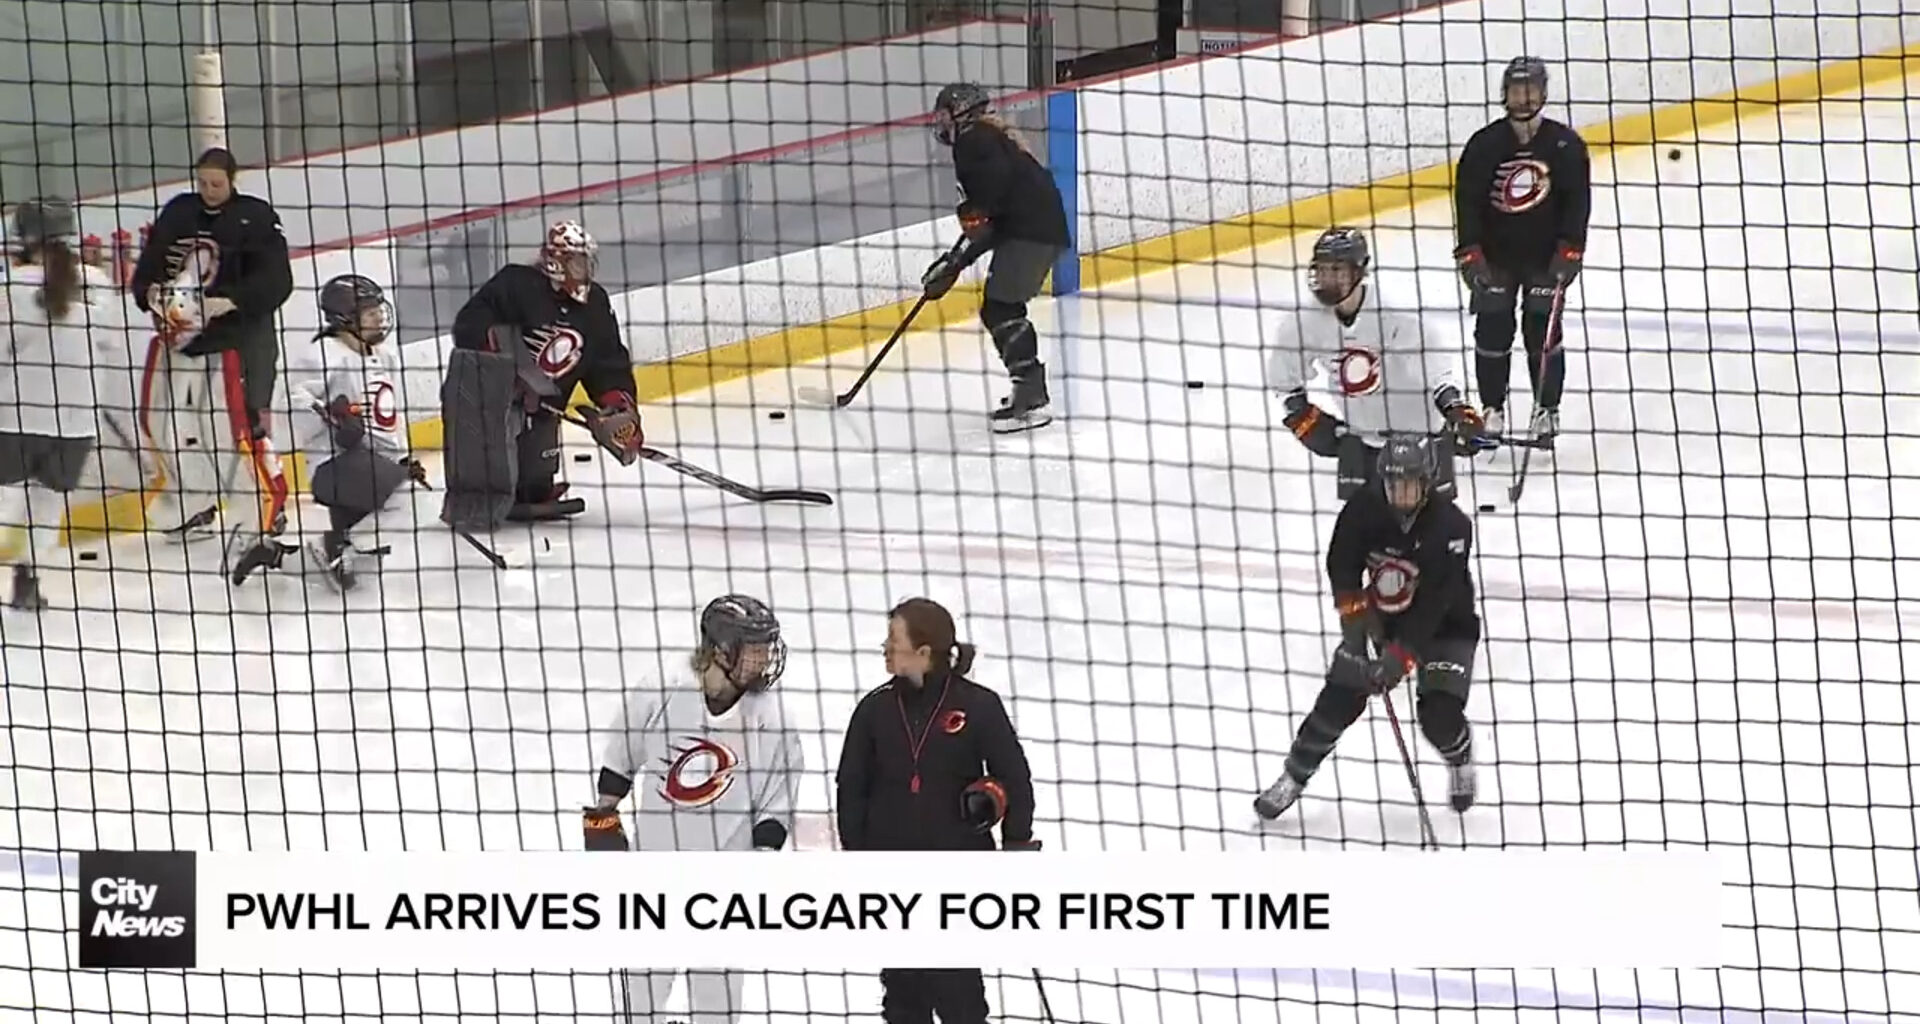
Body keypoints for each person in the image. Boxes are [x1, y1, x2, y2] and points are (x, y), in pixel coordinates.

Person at [584, 594, 800, 1024]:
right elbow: (618, 760)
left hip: (722, 893)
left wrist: (757, 873)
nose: (764, 658)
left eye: (766, 647)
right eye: (753, 647)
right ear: (720, 649)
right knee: (638, 1003)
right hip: (651, 882)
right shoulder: (662, 690)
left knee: (717, 1010)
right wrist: (603, 827)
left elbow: (775, 808)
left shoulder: (774, 719)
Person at [1254, 434, 1480, 822]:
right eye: (1394, 484)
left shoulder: (1452, 526)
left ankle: (1459, 759)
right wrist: (1355, 629)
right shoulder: (1363, 509)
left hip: (1445, 626)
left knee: (1438, 715)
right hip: (1380, 619)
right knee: (1339, 698)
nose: (1401, 493)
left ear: (1426, 482)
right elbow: (1341, 565)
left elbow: (1435, 603)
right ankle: (1293, 776)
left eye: (1410, 484)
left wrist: (1401, 656)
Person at [836, 597, 1038, 1024]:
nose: (885, 648)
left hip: (956, 878)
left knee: (958, 996)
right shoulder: (873, 710)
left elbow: (1014, 778)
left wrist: (1015, 839)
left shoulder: (978, 706)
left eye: (894, 640)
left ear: (924, 652)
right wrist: (859, 857)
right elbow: (850, 787)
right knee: (903, 1000)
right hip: (893, 881)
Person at [130, 146, 295, 550]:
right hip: (181, 341)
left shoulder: (255, 217)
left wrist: (232, 299)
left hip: (238, 343)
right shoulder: (179, 211)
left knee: (235, 429)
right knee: (166, 426)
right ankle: (194, 505)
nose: (208, 190)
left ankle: (265, 512)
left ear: (233, 180)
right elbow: (151, 263)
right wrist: (148, 292)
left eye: (217, 183)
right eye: (202, 182)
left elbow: (278, 280)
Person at [227, 274, 429, 591]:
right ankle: (336, 542)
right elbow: (290, 408)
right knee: (408, 502)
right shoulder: (321, 357)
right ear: (344, 317)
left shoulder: (385, 356)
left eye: (378, 308)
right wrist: (330, 417)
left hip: (373, 468)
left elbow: (389, 415)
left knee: (351, 577)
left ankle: (274, 553)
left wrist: (402, 459)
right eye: (369, 311)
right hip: (336, 469)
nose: (379, 316)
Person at [439, 219, 642, 532]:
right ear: (555, 263)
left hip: (546, 406)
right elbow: (471, 322)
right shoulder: (516, 284)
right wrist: (505, 363)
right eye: (577, 263)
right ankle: (479, 498)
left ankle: (534, 489)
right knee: (494, 459)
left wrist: (617, 405)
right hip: (497, 404)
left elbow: (607, 358)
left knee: (535, 478)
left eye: (588, 262)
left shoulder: (596, 304)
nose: (585, 271)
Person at [1267, 226, 1485, 500]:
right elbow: (1283, 379)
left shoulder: (1397, 316)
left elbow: (1437, 370)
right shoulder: (1303, 321)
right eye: (1322, 270)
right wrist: (1301, 417)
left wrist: (1455, 410)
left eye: (1338, 271)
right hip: (1360, 441)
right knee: (1361, 534)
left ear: (1360, 272)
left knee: (1432, 530)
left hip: (1422, 439)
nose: (1328, 279)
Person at [1452, 56, 1593, 445]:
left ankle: (1546, 408)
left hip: (1546, 260)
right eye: (1517, 90)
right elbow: (1467, 202)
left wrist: (1571, 251)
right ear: (1505, 94)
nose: (1524, 98)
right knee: (1493, 331)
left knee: (1541, 332)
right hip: (1496, 258)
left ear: (1543, 93)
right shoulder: (1484, 145)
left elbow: (1577, 203)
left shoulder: (1565, 144)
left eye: (1530, 90)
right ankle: (1492, 408)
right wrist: (1469, 252)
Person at [921, 83, 1072, 435]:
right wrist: (957, 259)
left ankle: (1032, 398)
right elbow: (992, 212)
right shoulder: (989, 137)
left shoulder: (972, 142)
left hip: (1030, 234)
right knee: (1001, 306)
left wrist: (956, 261)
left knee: (1002, 307)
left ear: (961, 113)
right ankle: (1028, 391)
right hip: (1034, 229)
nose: (941, 123)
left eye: (945, 114)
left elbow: (987, 212)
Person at [0, 198, 120, 610]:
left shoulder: (14, 285)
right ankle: (29, 579)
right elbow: (108, 342)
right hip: (76, 417)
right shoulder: (95, 282)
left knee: (3, 501)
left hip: (16, 412)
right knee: (47, 504)